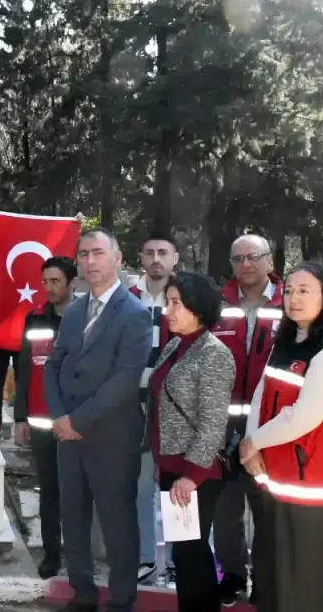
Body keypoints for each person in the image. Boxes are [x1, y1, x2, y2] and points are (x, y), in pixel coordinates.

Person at [239, 262, 323, 612]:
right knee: (272, 581)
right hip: (274, 479)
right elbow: (261, 394)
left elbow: (304, 415)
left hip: (311, 489)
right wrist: (251, 445)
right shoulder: (288, 339)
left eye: (304, 291)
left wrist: (253, 442)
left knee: (303, 588)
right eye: (289, 291)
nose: (294, 298)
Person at [44, 227, 153, 612]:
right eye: (84, 254)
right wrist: (59, 416)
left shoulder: (135, 313)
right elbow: (54, 365)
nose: (90, 261)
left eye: (98, 253)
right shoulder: (74, 310)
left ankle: (121, 600)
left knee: (117, 522)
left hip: (111, 437)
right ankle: (83, 593)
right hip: (68, 436)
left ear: (118, 259)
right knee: (73, 518)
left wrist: (77, 420)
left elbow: (125, 379)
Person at [148, 272, 235, 612]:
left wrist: (191, 476)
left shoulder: (213, 353)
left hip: (196, 473)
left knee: (191, 552)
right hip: (173, 468)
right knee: (185, 553)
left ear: (197, 308)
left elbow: (213, 422)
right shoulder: (175, 344)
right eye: (167, 302)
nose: (168, 311)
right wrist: (162, 463)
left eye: (176, 304)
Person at [211, 234, 284, 605]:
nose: (245, 264)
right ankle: (233, 575)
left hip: (270, 429)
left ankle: (267, 581)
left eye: (253, 256)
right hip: (224, 428)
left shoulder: (291, 303)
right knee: (226, 511)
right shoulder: (217, 304)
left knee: (268, 511)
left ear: (269, 260)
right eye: (238, 258)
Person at [0, 209, 83, 435]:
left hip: (34, 329)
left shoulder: (44, 268)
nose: (48, 285)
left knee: (27, 377)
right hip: (1, 330)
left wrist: (75, 228)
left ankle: (27, 422)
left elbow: (69, 262)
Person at [13, 255, 78, 580]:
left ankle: (79, 555)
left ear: (72, 283)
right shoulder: (35, 317)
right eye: (45, 282)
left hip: (78, 421)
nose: (49, 288)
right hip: (41, 421)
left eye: (56, 281)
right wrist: (20, 417)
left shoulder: (87, 317)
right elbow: (24, 369)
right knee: (49, 491)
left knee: (76, 492)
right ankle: (52, 556)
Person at [129, 233, 180, 584]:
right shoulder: (128, 298)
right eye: (149, 253)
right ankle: (145, 558)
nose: (156, 258)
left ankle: (179, 562)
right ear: (141, 258)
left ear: (175, 258)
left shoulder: (185, 297)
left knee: (177, 487)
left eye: (163, 252)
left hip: (177, 408)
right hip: (136, 406)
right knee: (141, 487)